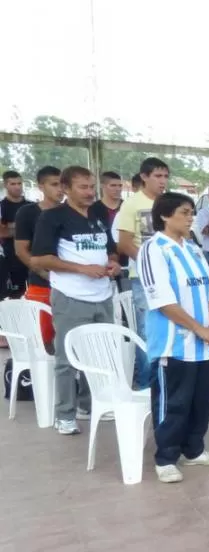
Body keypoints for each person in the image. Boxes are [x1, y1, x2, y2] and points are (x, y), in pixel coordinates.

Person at [138, 192, 209, 484]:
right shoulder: (154, 249)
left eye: (191, 213)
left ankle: (194, 449)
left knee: (202, 399)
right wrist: (198, 328)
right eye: (184, 213)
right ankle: (166, 457)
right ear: (165, 215)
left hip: (205, 343)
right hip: (174, 342)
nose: (190, 218)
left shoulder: (193, 248)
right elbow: (162, 300)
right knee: (173, 401)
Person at [30, 166, 121, 436]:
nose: (90, 192)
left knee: (98, 355)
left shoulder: (99, 214)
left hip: (102, 295)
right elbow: (39, 259)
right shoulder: (52, 218)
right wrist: (82, 269)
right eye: (83, 187)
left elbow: (111, 250)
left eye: (91, 186)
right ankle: (65, 414)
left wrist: (113, 264)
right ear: (66, 189)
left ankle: (89, 404)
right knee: (67, 357)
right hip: (71, 297)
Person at [116, 156, 170, 389]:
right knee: (147, 332)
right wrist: (150, 264)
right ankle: (146, 385)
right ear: (144, 177)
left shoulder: (168, 203)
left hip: (170, 278)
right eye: (158, 176)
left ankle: (164, 383)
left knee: (169, 330)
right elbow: (124, 243)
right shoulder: (131, 204)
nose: (163, 181)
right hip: (143, 280)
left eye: (166, 176)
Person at [14, 166, 62, 348]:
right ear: (41, 186)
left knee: (69, 339)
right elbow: (21, 250)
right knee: (42, 340)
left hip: (71, 285)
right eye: (54, 184)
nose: (60, 189)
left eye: (62, 184)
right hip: (41, 284)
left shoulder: (71, 212)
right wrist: (45, 274)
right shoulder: (27, 213)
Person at [0, 170, 28, 301]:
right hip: (11, 258)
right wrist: (26, 227)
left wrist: (11, 225)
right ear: (5, 185)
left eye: (19, 183)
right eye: (13, 184)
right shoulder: (2, 206)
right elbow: (2, 232)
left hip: (33, 256)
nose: (17, 187)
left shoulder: (31, 206)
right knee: (15, 297)